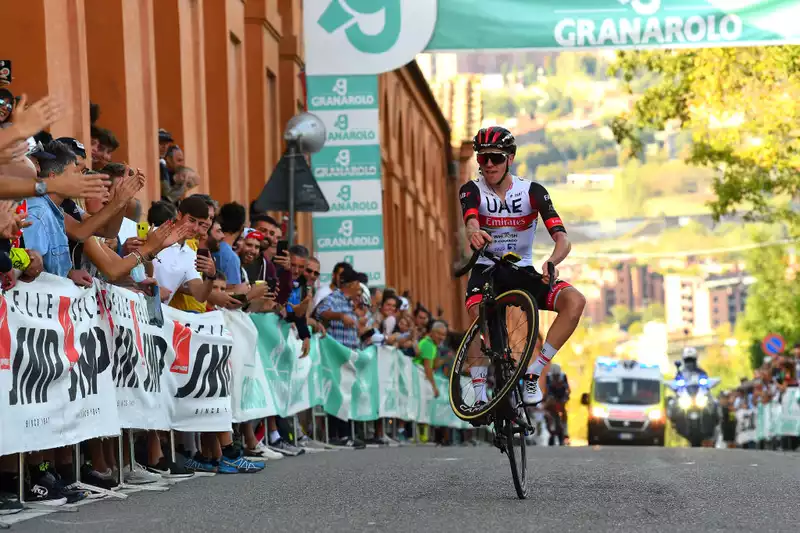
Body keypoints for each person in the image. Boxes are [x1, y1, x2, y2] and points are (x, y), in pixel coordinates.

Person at [459, 126, 585, 408]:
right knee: (478, 317)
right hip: (487, 268)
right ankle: (480, 396)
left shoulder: (532, 192)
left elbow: (562, 239)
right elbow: (471, 219)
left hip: (521, 270)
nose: (488, 164)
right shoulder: (472, 190)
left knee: (575, 301)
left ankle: (533, 372)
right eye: (482, 158)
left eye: (495, 157)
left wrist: (552, 261)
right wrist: (473, 231)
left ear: (510, 158)